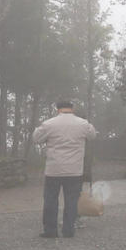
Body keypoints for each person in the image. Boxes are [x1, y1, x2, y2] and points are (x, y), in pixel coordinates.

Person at [33, 100, 97, 239]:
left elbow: (36, 138)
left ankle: (50, 231)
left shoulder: (49, 124)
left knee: (50, 200)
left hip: (53, 169)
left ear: (57, 109)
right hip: (74, 170)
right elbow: (92, 136)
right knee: (72, 201)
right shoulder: (83, 124)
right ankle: (68, 231)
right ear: (72, 108)